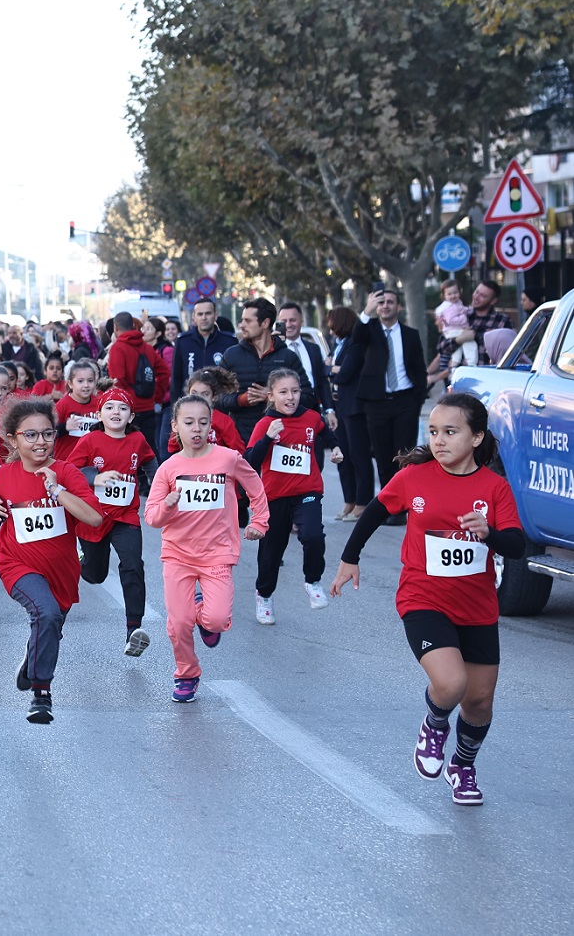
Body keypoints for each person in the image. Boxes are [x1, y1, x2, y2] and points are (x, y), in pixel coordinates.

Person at [330, 393, 523, 805]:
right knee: (451, 683)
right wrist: (350, 558)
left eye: (450, 432)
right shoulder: (415, 478)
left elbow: (518, 545)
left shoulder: (494, 488)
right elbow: (376, 511)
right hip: (423, 598)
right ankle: (435, 725)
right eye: (433, 431)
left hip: (477, 607)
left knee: (479, 701)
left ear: (476, 438)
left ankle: (463, 766)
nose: (439, 440)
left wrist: (489, 532)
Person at [145, 395, 269, 704]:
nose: (196, 429)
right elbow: (152, 517)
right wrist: (168, 506)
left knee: (214, 621)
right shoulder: (169, 468)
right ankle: (186, 673)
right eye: (188, 423)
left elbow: (254, 486)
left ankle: (203, 612)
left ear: (211, 425)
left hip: (217, 553)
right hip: (178, 555)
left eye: (203, 422)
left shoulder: (227, 458)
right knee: (178, 624)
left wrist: (260, 522)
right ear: (175, 427)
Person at [0, 398, 102, 724]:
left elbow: (93, 518)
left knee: (51, 622)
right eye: (31, 435)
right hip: (16, 562)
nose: (41, 442)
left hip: (61, 570)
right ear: (13, 439)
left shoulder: (67, 473)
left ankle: (32, 663)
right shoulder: (6, 475)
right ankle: (41, 693)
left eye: (48, 434)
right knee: (45, 612)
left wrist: (58, 491)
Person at [244, 368, 342, 624]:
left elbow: (325, 431)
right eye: (283, 392)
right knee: (272, 552)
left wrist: (336, 448)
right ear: (271, 396)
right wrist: (267, 438)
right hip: (275, 496)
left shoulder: (310, 417)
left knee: (312, 534)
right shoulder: (266, 424)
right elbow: (250, 460)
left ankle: (313, 581)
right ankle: (264, 596)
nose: (291, 397)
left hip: (307, 491)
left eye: (295, 391)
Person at [66, 388, 156, 656]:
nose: (116, 412)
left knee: (132, 564)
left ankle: (133, 629)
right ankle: (83, 558)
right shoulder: (90, 440)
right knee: (95, 575)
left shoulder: (138, 439)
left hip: (125, 515)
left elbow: (150, 462)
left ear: (131, 416)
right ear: (99, 414)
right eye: (110, 407)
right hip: (93, 516)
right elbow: (69, 472)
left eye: (122, 408)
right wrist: (95, 477)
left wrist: (159, 483)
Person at [347, 288, 427, 518]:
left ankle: (405, 505)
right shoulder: (369, 330)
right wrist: (366, 311)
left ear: (398, 307)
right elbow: (356, 339)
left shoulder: (410, 334)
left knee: (404, 454)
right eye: (381, 303)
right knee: (382, 455)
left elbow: (419, 368)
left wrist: (418, 398)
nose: (385, 306)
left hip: (405, 400)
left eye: (390, 302)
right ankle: (389, 505)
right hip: (377, 402)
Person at [216, 298, 309, 443]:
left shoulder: (288, 357)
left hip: (282, 440)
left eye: (248, 321)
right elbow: (216, 396)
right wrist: (240, 400)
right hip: (241, 439)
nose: (242, 325)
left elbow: (308, 397)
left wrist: (274, 397)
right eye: (242, 320)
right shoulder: (231, 355)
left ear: (265, 323)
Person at [325, 307, 374, 520]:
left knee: (358, 455)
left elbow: (344, 373)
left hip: (355, 407)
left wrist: (331, 369)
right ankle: (349, 501)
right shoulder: (338, 344)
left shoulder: (355, 342)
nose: (330, 328)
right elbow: (329, 367)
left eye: (332, 323)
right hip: (339, 406)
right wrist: (333, 368)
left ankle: (363, 502)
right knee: (342, 456)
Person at [106, 311, 170, 455]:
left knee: (127, 452)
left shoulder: (118, 348)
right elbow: (164, 372)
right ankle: (154, 477)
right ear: (133, 325)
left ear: (116, 327)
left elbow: (117, 379)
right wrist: (157, 397)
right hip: (148, 407)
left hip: (127, 410)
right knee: (149, 451)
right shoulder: (147, 348)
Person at [169, 300, 238, 403]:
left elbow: (234, 377)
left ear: (215, 316)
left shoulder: (229, 341)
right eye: (200, 314)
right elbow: (176, 378)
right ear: (194, 317)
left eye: (208, 313)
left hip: (221, 405)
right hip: (190, 404)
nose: (204, 318)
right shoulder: (183, 341)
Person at [276, 302, 333, 424]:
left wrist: (329, 410)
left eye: (292, 320)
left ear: (301, 321)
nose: (288, 325)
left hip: (312, 412)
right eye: (284, 321)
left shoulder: (314, 349)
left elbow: (322, 381)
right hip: (285, 416)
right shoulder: (275, 351)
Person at [455, 279, 513, 365]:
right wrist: (458, 340)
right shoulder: (463, 316)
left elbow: (511, 353)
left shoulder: (502, 321)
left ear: (493, 301)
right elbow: (442, 347)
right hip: (462, 373)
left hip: (487, 374)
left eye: (483, 296)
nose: (476, 297)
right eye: (476, 292)